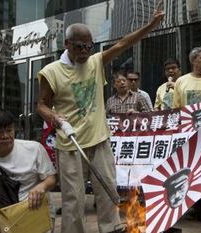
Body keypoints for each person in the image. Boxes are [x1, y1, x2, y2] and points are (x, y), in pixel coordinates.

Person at [36, 3, 164, 232]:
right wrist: (53, 116)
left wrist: (151, 25)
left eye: (89, 46)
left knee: (107, 190)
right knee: (73, 199)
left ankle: (111, 228)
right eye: (79, 47)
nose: (85, 52)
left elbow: (125, 43)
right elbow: (41, 105)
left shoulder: (95, 62)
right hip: (70, 145)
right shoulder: (51, 72)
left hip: (99, 140)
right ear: (67, 44)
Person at [0, 109, 56, 231]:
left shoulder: (34, 149)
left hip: (32, 211)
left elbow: (51, 178)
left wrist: (42, 186)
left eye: (9, 130)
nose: (6, 136)